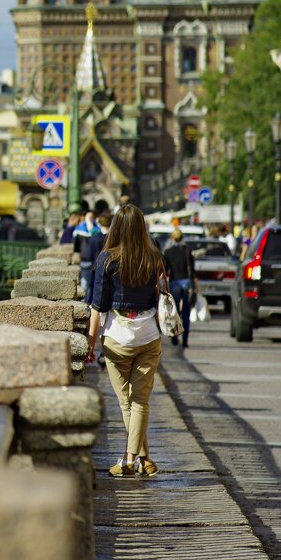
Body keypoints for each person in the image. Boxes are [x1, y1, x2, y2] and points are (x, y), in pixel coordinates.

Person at [86, 204, 165, 479]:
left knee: (126, 403)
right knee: (140, 401)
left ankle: (129, 460)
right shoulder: (154, 257)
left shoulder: (107, 259)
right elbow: (160, 295)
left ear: (116, 227)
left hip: (117, 338)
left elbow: (98, 306)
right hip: (148, 336)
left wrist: (91, 343)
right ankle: (143, 458)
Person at [162, 229, 196, 348]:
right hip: (186, 281)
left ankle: (175, 336)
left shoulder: (167, 252)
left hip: (174, 282)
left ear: (172, 238)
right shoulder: (187, 251)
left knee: (173, 312)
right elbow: (192, 269)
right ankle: (185, 340)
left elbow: (166, 271)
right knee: (186, 312)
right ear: (182, 238)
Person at [81, 211, 111, 304]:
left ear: (99, 222)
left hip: (95, 268)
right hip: (109, 268)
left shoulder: (95, 236)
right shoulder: (113, 237)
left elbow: (88, 255)